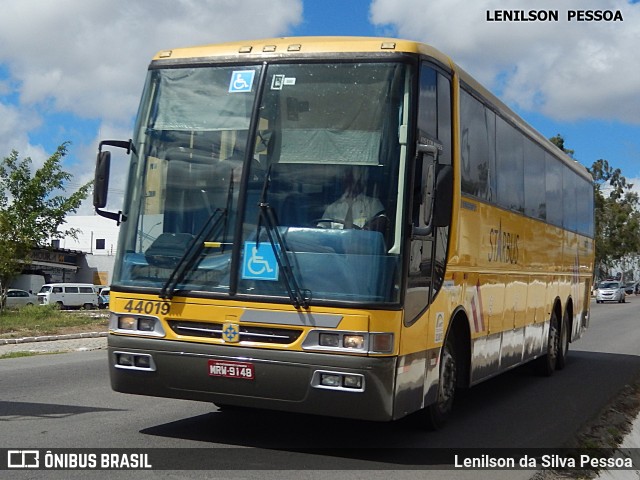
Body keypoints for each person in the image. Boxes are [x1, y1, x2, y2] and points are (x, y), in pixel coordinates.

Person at [320, 166, 384, 229]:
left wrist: (368, 227)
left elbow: (381, 223)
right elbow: (321, 230)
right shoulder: (332, 208)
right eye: (348, 180)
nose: (352, 185)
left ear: (362, 183)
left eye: (355, 181)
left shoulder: (373, 204)